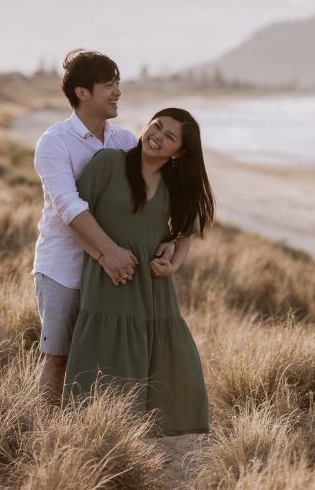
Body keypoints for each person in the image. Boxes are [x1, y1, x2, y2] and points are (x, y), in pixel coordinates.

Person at [32, 49, 174, 411]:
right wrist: (107, 253)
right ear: (82, 93)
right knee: (59, 358)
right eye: (109, 85)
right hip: (65, 270)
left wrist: (175, 243)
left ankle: (95, 430)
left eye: (118, 83)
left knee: (105, 361)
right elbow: (69, 206)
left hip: (115, 275)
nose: (117, 92)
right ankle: (48, 436)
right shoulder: (54, 143)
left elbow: (157, 194)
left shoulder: (125, 141)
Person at [63, 107, 215, 436]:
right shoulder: (108, 163)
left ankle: (150, 434)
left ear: (180, 152)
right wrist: (104, 257)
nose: (157, 137)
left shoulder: (175, 187)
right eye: (156, 127)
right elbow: (76, 219)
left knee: (173, 363)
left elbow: (189, 229)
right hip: (109, 281)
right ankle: (92, 430)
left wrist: (172, 262)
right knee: (105, 357)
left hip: (153, 287)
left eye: (169, 137)